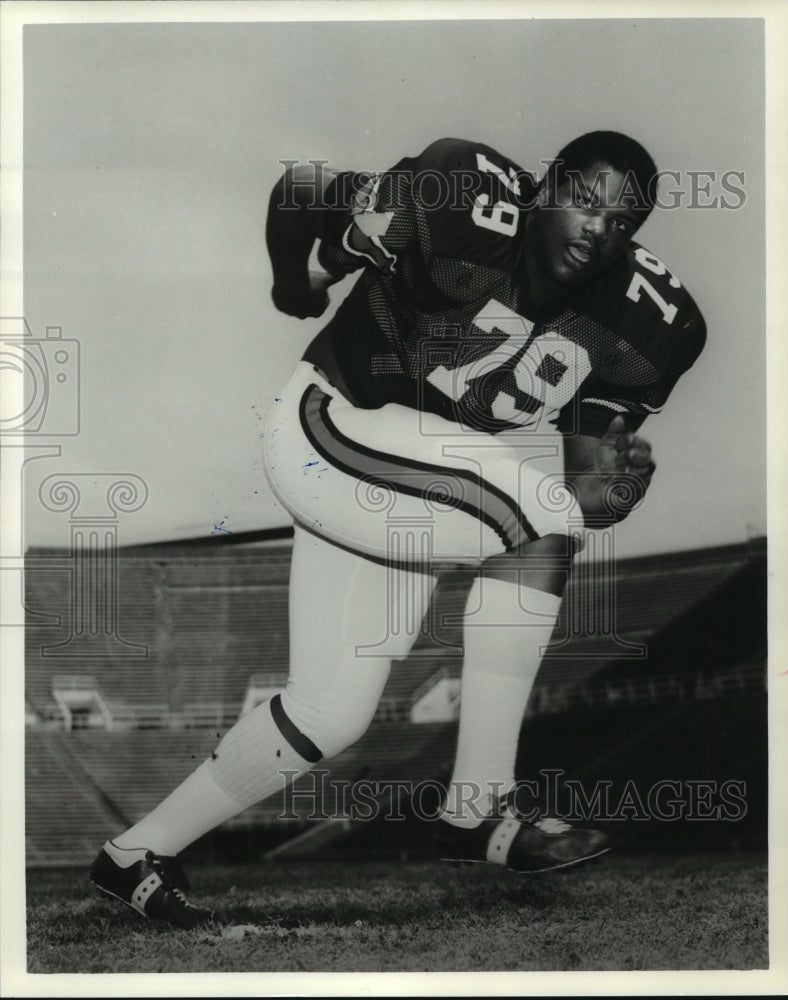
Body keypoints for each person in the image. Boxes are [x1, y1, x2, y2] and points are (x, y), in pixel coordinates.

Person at [90, 132, 705, 927]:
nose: (598, 228)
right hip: (334, 424)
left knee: (329, 712)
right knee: (537, 520)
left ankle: (132, 855)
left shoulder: (645, 320)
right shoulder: (463, 197)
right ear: (547, 185)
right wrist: (306, 275)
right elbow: (303, 183)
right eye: (585, 200)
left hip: (404, 473)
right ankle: (480, 808)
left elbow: (584, 495)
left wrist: (617, 492)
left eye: (622, 220)